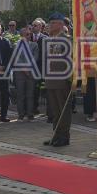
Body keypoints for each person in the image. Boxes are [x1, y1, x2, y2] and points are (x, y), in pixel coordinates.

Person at [43, 13, 72, 147]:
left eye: (53, 23)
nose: (50, 26)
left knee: (63, 110)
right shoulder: (50, 40)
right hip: (51, 80)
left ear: (61, 24)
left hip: (62, 80)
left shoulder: (67, 39)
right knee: (55, 111)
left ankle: (64, 137)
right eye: (50, 23)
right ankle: (56, 135)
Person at [14, 26, 39, 122]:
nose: (29, 36)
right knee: (20, 95)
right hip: (20, 73)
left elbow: (35, 57)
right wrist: (24, 69)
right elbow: (17, 59)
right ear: (22, 36)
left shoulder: (34, 45)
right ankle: (21, 115)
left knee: (30, 94)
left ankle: (30, 114)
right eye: (27, 34)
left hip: (31, 72)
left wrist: (28, 68)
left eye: (30, 34)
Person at [31, 18, 47, 116]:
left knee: (43, 88)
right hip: (31, 68)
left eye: (35, 25)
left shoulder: (45, 37)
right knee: (33, 89)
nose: (33, 27)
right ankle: (33, 108)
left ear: (41, 27)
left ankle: (47, 110)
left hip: (42, 67)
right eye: (32, 25)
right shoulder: (28, 37)